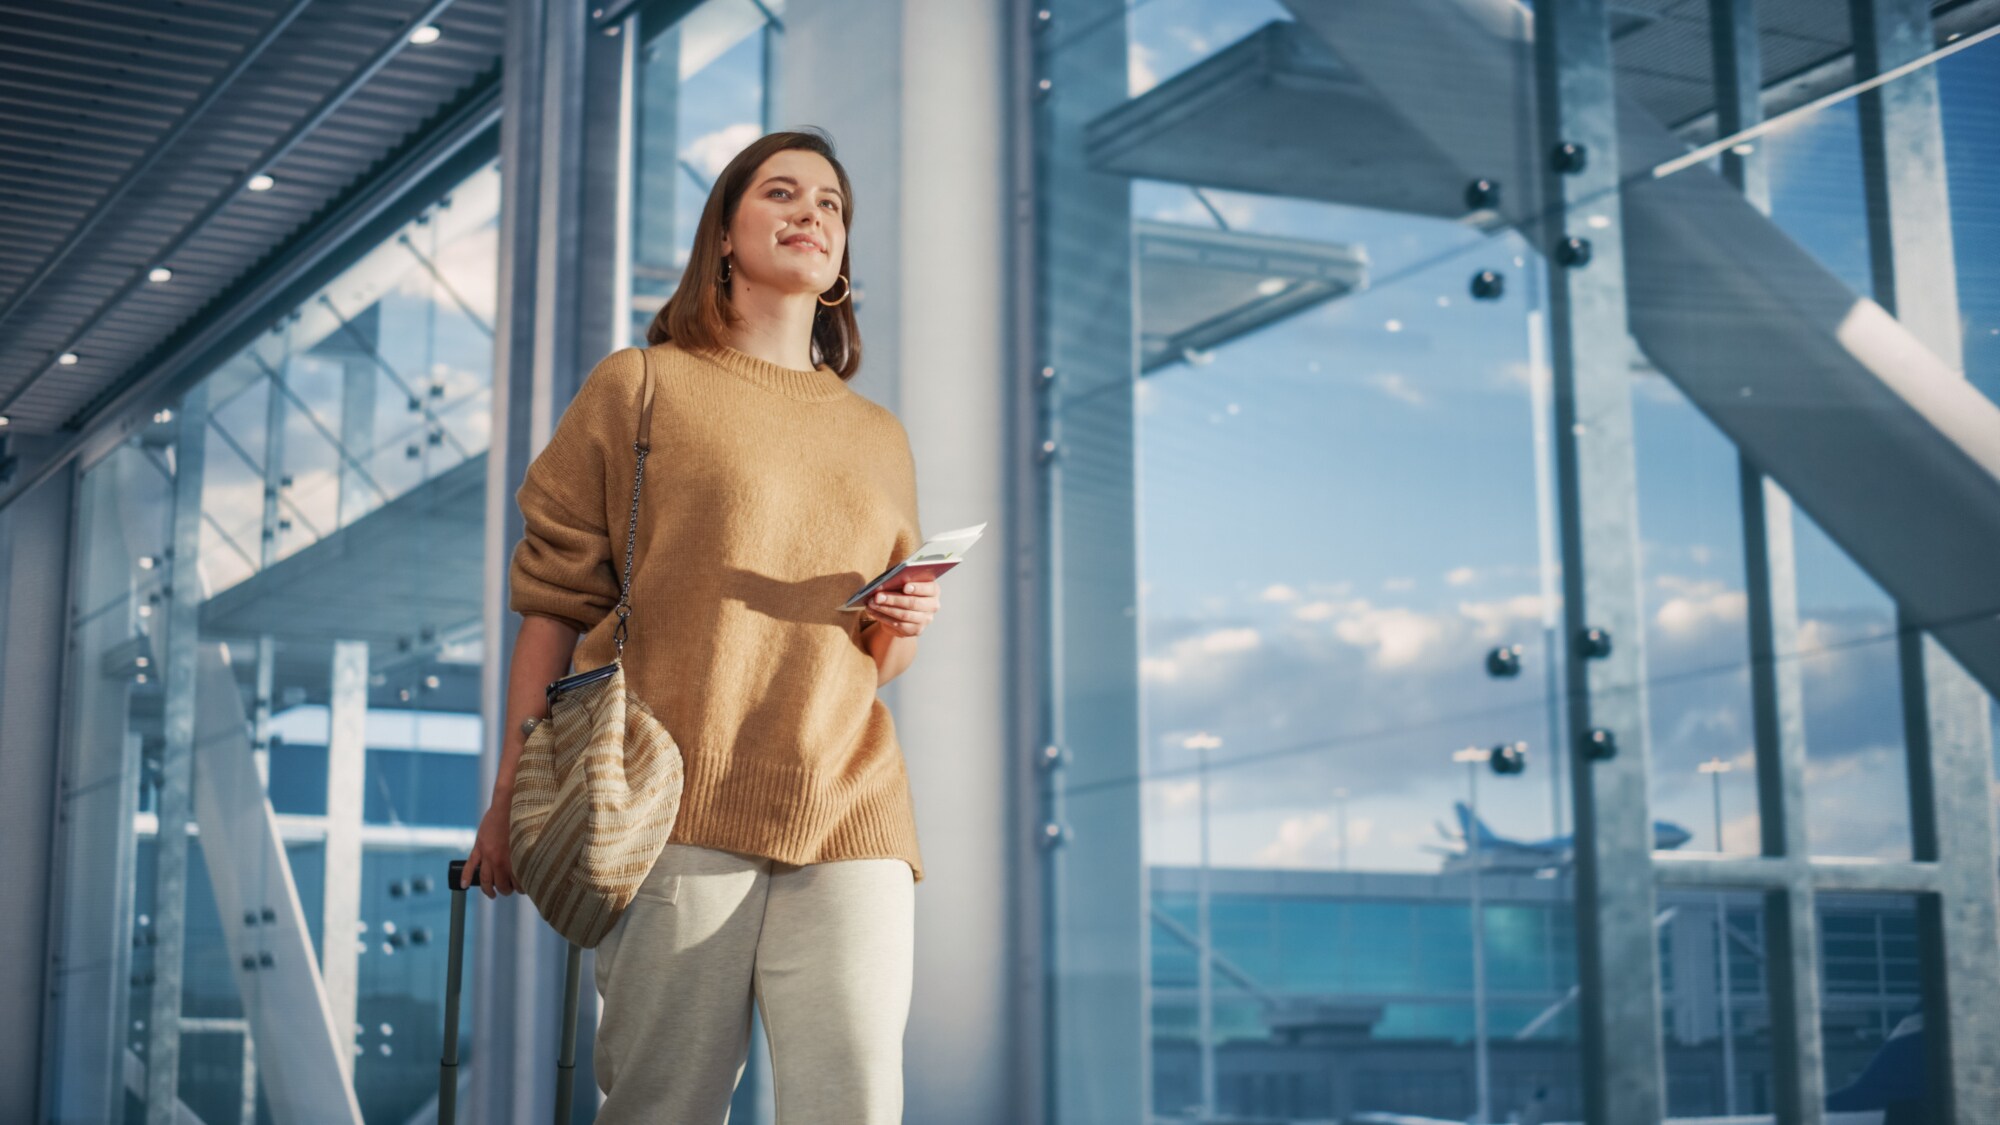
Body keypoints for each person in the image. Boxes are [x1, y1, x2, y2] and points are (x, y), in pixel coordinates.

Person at [458, 127, 940, 1124]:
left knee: (854, 1103)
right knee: (661, 1105)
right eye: (781, 193)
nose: (812, 214)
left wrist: (902, 620)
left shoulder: (877, 433)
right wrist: (510, 791)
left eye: (830, 205)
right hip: (670, 800)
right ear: (724, 233)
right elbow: (554, 605)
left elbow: (868, 665)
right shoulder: (640, 386)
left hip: (850, 800)